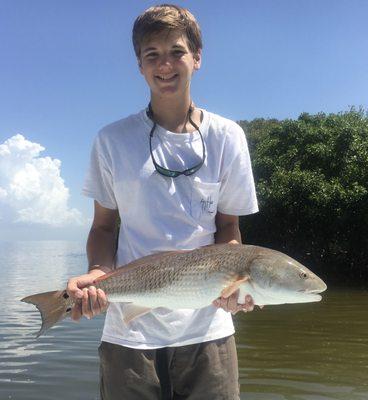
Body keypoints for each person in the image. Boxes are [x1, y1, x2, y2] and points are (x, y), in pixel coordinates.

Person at [67, 4, 259, 400]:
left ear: (197, 57)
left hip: (210, 329)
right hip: (128, 332)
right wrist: (98, 273)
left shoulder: (229, 137)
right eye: (151, 55)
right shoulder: (111, 140)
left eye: (176, 51)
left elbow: (228, 227)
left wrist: (235, 282)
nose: (165, 65)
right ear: (139, 66)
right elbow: (103, 227)